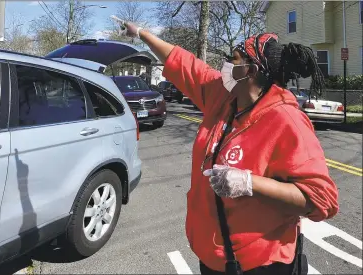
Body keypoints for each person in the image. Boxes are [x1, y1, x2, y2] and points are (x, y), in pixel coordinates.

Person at [118, 22, 339, 274]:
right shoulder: (223, 97)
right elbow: (183, 62)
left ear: (251, 70)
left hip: (260, 263)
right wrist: (141, 34)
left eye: (234, 60)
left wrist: (249, 183)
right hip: (215, 258)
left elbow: (322, 199)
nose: (225, 66)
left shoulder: (286, 119)